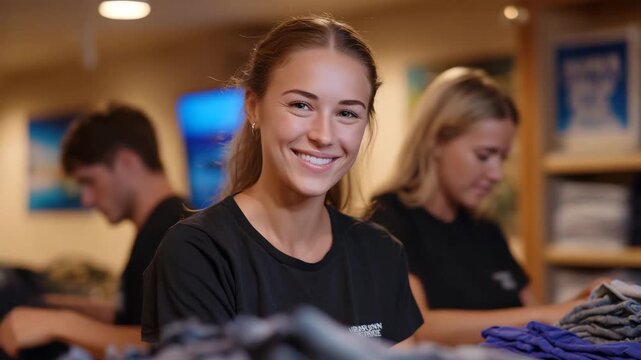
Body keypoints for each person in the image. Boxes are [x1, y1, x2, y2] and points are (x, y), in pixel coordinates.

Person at [142, 15, 422, 346]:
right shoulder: (197, 253)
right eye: (301, 105)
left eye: (347, 113)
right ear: (253, 107)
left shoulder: (381, 254)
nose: (323, 135)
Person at [368, 67, 598, 345]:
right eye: (484, 155)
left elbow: (532, 317)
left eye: (502, 158)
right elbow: (416, 328)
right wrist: (554, 312)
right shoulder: (388, 218)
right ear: (437, 141)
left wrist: (587, 303)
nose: (497, 174)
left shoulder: (485, 229)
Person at [0, 104, 186, 357]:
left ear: (127, 162)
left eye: (89, 181)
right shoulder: (158, 228)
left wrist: (60, 323)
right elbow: (133, 318)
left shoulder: (178, 234)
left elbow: (177, 343)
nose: (86, 200)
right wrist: (51, 305)